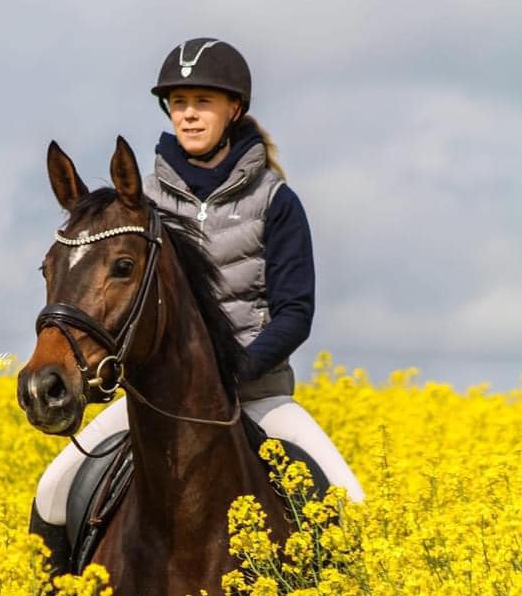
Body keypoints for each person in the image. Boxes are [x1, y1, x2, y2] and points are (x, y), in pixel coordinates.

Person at [30, 36, 363, 548]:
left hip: (256, 395)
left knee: (349, 501)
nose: (188, 115)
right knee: (53, 490)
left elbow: (295, 311)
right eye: (179, 104)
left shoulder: (276, 201)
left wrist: (235, 371)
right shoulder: (136, 205)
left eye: (203, 102)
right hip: (153, 397)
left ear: (234, 109)